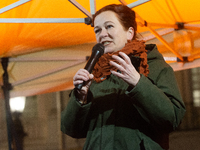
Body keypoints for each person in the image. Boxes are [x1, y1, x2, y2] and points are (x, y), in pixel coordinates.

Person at [61, 4, 185, 150]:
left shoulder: (154, 66)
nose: (103, 34)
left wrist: (138, 83)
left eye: (109, 26)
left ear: (129, 33)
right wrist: (81, 98)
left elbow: (171, 119)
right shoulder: (94, 73)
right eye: (97, 30)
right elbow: (70, 129)